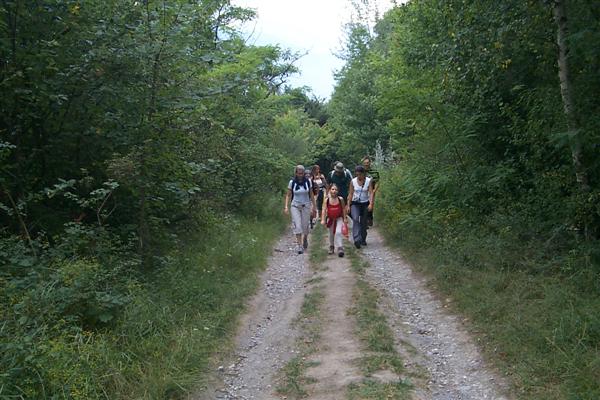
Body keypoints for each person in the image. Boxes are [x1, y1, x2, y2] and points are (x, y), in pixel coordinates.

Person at [284, 165, 317, 254]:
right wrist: (286, 206)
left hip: (306, 205)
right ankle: (299, 245)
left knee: (305, 226)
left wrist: (314, 207)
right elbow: (288, 195)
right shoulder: (292, 182)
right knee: (298, 226)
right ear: (296, 173)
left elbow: (311, 195)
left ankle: (305, 238)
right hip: (295, 206)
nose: (301, 175)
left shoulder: (308, 182)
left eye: (302, 173)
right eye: (299, 173)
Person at [346, 165, 373, 249]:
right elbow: (350, 193)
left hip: (365, 203)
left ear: (363, 173)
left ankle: (363, 238)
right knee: (355, 218)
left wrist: (371, 203)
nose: (359, 176)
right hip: (355, 203)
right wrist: (348, 205)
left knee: (364, 222)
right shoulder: (353, 181)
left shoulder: (369, 181)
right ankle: (356, 239)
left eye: (360, 174)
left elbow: (371, 193)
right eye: (357, 174)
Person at [321, 184, 348, 257]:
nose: (334, 191)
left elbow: (343, 209)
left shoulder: (340, 199)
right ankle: (331, 246)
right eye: (332, 189)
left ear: (338, 191)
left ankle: (340, 247)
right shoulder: (327, 200)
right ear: (330, 190)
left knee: (338, 232)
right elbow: (323, 209)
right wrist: (323, 219)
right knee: (331, 234)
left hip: (339, 218)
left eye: (336, 190)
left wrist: (345, 218)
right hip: (330, 219)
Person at [362, 156, 380, 228]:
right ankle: (365, 221)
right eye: (365, 163)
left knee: (370, 204)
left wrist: (374, 191)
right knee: (363, 205)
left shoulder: (374, 172)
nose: (366, 164)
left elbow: (377, 182)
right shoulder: (360, 171)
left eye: (367, 163)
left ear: (370, 163)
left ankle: (369, 218)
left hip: (371, 190)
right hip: (362, 191)